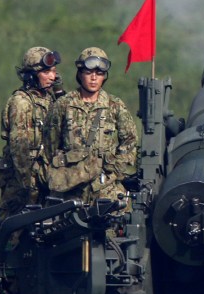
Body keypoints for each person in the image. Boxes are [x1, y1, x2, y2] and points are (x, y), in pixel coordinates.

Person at [45, 46, 140, 205]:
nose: (94, 78)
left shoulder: (114, 105)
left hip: (105, 188)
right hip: (70, 189)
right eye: (89, 73)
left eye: (99, 73)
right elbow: (50, 144)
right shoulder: (64, 105)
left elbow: (130, 141)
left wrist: (115, 169)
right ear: (80, 74)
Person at [0, 46, 64, 217]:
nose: (53, 76)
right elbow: (19, 146)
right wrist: (27, 182)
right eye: (46, 72)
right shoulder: (21, 102)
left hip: (44, 177)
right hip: (22, 181)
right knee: (12, 232)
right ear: (32, 75)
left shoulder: (49, 99)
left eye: (54, 71)